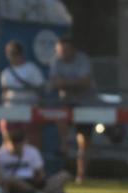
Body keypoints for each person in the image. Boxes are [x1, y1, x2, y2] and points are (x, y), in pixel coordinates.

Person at [48, 35, 95, 183]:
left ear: (73, 50)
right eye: (60, 51)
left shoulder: (83, 60)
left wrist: (65, 83)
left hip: (85, 104)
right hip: (66, 103)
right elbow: (54, 83)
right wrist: (74, 83)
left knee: (83, 141)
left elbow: (86, 82)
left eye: (65, 50)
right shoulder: (56, 60)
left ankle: (81, 175)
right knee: (60, 117)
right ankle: (64, 144)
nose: (62, 54)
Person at [0, 121, 70, 193]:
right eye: (13, 141)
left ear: (24, 141)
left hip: (30, 181)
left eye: (19, 141)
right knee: (11, 180)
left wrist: (39, 179)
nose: (16, 145)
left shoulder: (32, 152)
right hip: (11, 183)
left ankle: (41, 192)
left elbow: (40, 174)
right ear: (6, 142)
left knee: (64, 175)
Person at [1, 40, 45, 107]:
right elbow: (4, 93)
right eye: (9, 54)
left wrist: (29, 88)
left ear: (21, 53)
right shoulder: (5, 72)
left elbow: (41, 88)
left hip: (29, 110)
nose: (11, 56)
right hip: (10, 110)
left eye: (15, 53)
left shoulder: (32, 68)